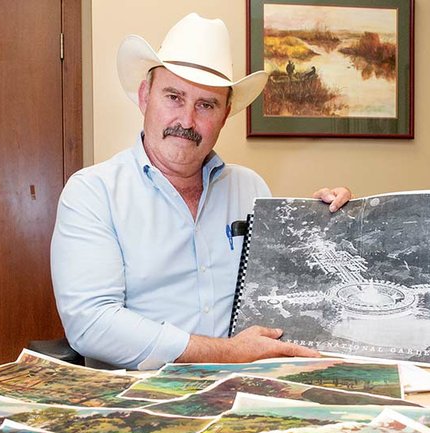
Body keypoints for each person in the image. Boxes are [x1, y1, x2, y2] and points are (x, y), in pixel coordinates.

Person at [51, 13, 352, 370]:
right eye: (174, 97)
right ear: (145, 96)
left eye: (206, 105)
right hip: (139, 399)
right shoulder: (92, 193)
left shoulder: (250, 188)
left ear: (225, 115)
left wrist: (325, 227)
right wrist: (227, 354)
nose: (187, 121)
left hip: (247, 387)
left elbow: (282, 297)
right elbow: (92, 324)